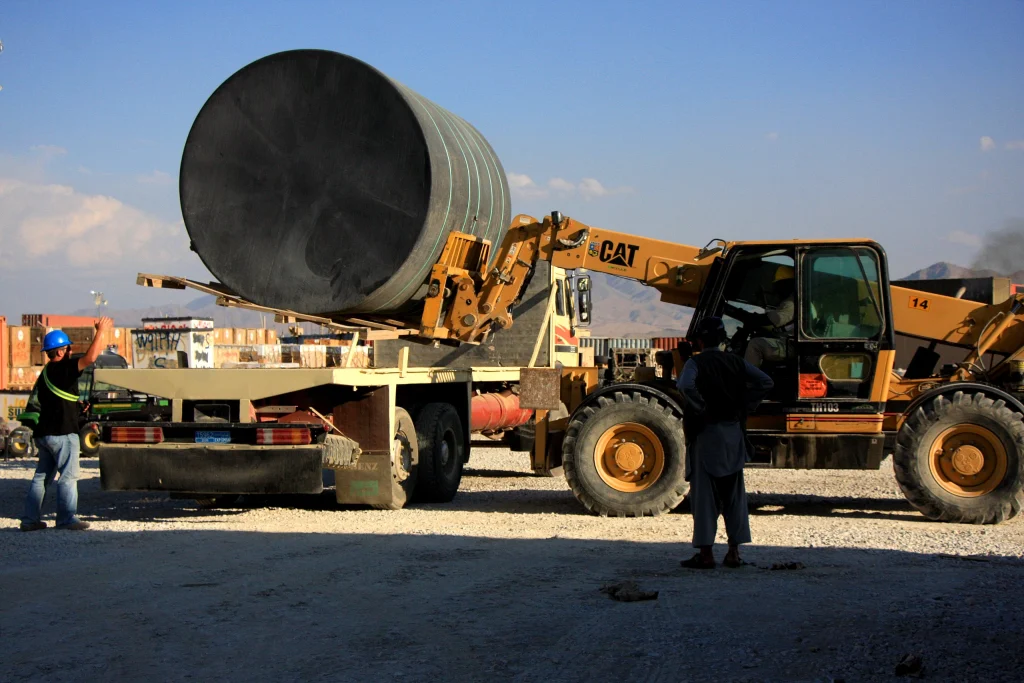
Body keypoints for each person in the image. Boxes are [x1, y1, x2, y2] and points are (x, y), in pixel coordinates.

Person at [678, 317, 773, 568]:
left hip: (706, 434)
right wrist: (745, 405)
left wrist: (700, 405)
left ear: (699, 340)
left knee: (704, 497)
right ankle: (734, 552)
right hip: (733, 434)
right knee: (734, 495)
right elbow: (765, 382)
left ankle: (706, 554)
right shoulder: (736, 362)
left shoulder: (694, 363)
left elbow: (685, 385)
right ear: (722, 339)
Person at [19, 317, 114, 532]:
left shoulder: (46, 373)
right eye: (68, 348)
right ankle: (66, 519)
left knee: (41, 477)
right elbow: (90, 358)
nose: (71, 352)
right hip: (63, 434)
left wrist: (77, 405)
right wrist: (101, 331)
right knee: (68, 476)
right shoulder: (65, 368)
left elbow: (55, 400)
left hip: (44, 434)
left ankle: (30, 520)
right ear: (60, 352)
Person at [743, 265, 795, 367]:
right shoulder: (794, 301)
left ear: (787, 284)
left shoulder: (791, 303)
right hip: (790, 342)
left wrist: (752, 318)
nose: (777, 290)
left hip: (790, 346)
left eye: (779, 285)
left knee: (755, 344)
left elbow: (773, 320)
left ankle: (750, 380)